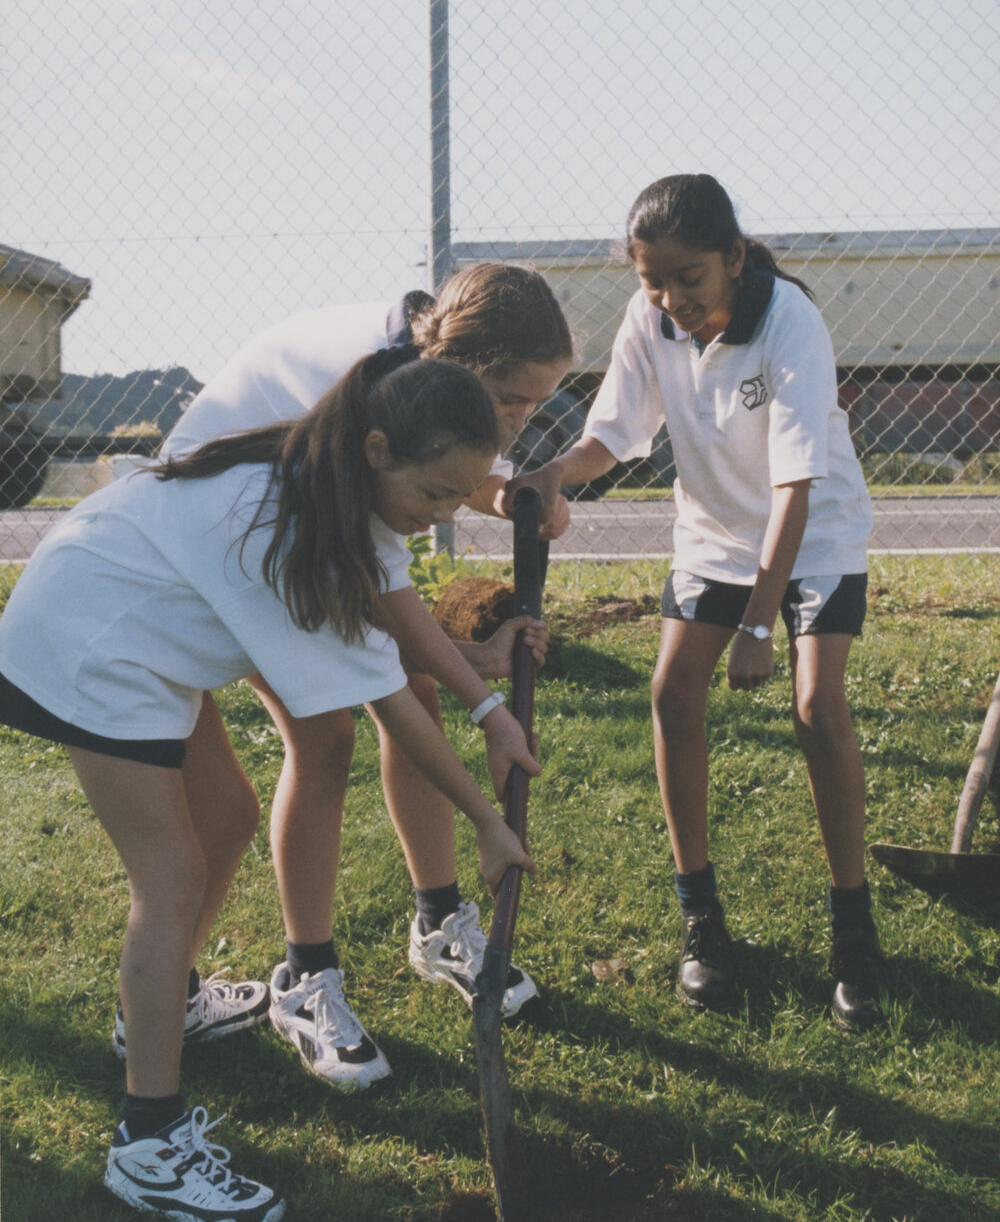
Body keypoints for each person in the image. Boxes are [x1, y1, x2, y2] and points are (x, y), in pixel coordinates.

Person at [0, 351, 539, 1222]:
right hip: (90, 642)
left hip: (138, 628)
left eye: (457, 498)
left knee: (230, 817)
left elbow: (400, 609)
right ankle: (149, 1145)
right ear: (377, 448)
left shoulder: (336, 480)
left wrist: (490, 714)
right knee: (170, 877)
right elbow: (392, 700)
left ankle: (159, 1011)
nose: (441, 515)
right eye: (436, 494)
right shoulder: (289, 532)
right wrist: (483, 816)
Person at [158, 264, 573, 1089]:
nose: (521, 422)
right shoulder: (359, 394)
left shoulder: (416, 374)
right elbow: (380, 588)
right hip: (224, 547)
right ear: (462, 361)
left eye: (536, 404)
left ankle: (438, 924)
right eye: (511, 398)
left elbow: (396, 567)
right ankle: (304, 979)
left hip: (285, 528)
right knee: (327, 731)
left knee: (410, 694)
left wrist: (503, 497)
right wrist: (484, 696)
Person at [509, 174, 881, 1031]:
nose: (672, 300)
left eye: (691, 279)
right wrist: (551, 475)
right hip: (715, 534)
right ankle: (702, 923)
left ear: (735, 258)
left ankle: (854, 933)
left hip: (813, 529)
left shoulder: (791, 320)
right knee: (673, 693)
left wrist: (760, 621)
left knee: (818, 706)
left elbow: (795, 486)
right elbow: (613, 436)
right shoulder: (653, 321)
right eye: (653, 282)